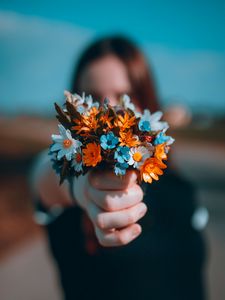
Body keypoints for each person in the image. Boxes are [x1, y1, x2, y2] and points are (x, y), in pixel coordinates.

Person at [34, 35, 206, 300]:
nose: (110, 110)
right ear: (75, 112)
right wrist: (80, 188)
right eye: (92, 98)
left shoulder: (180, 188)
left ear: (146, 101)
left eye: (123, 96)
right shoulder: (75, 187)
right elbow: (42, 176)